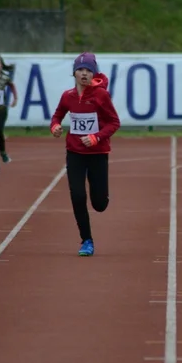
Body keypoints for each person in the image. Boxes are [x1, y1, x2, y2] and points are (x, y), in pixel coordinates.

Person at [50, 52, 121, 257]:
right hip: (75, 153)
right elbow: (57, 115)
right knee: (78, 195)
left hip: (98, 152)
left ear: (94, 73)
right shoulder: (67, 96)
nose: (84, 73)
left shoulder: (101, 96)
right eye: (80, 70)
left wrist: (96, 137)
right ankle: (86, 240)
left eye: (88, 70)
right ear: (74, 73)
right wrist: (54, 126)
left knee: (99, 204)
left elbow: (114, 123)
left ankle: (102, 194)